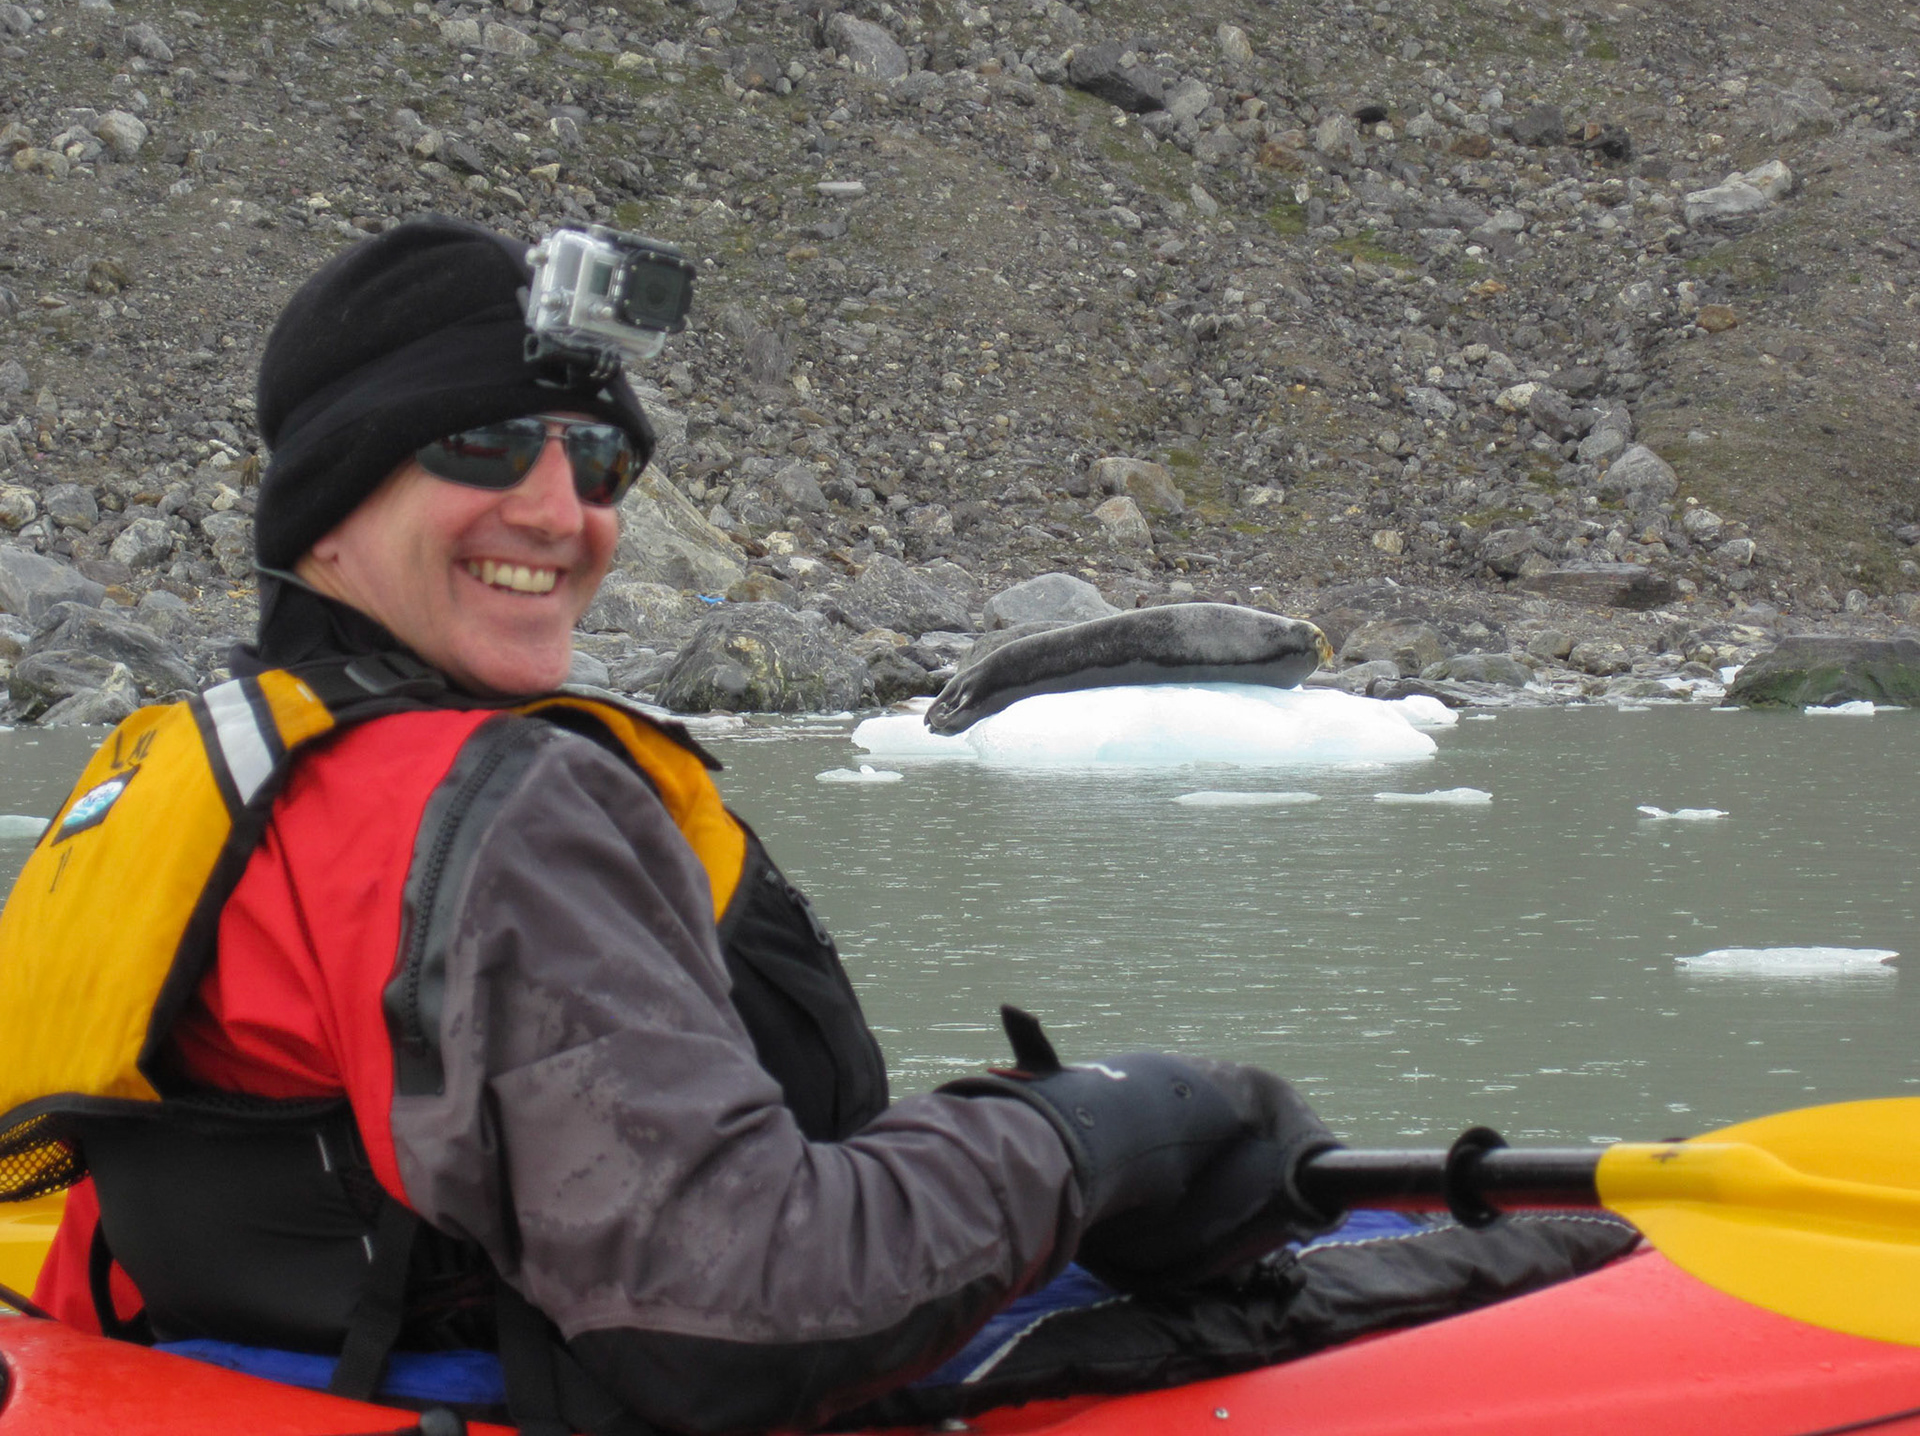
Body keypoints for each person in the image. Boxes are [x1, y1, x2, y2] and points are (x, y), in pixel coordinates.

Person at [0, 217, 1353, 1434]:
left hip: (274, 1373)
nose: (558, 510)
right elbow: (738, 1308)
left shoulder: (192, 770)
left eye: (595, 460)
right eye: (477, 444)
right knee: (1484, 1261)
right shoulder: (504, 813)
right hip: (543, 1383)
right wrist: (1109, 1129)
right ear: (334, 498)